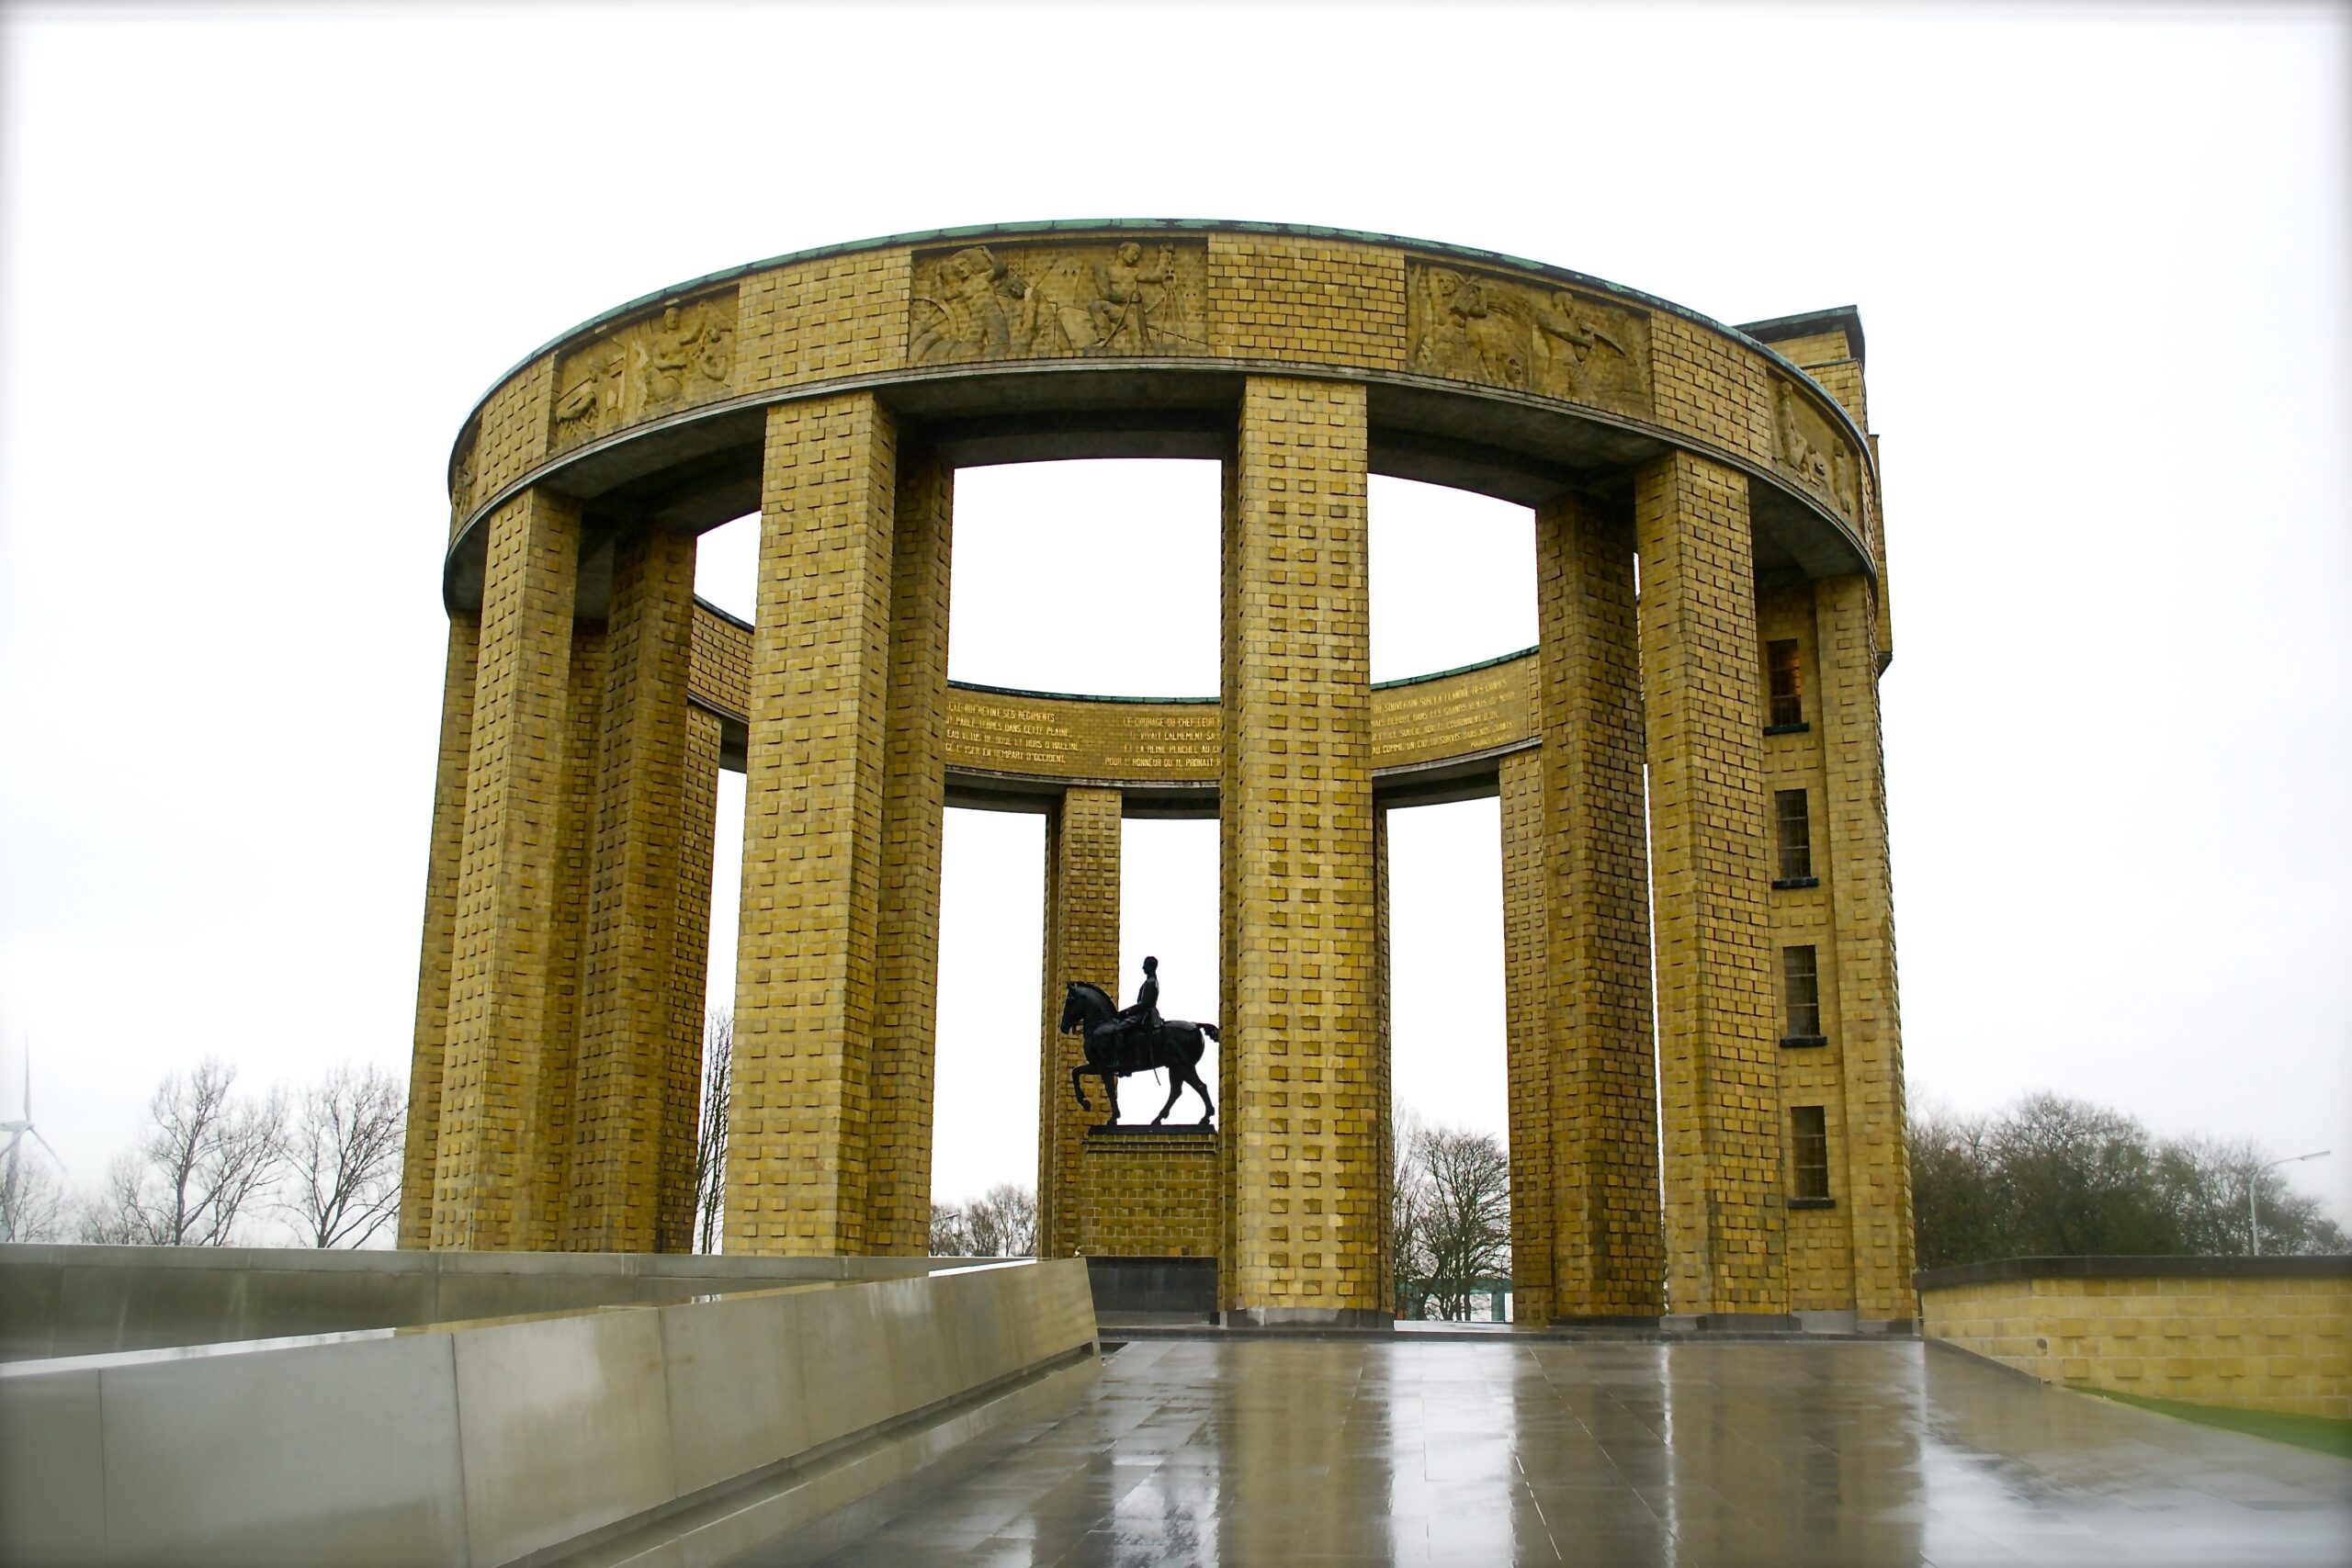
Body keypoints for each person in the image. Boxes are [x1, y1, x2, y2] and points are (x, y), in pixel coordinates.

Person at [1113, 955, 1162, 1066]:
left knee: (1118, 1029)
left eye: (1145, 965)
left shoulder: (1150, 982)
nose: (1143, 967)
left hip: (1145, 1014)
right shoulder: (1151, 981)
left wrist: (1127, 1012)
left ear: (1150, 966)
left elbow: (1144, 1004)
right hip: (1145, 1012)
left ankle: (1120, 1061)